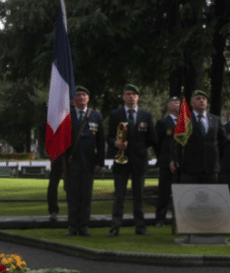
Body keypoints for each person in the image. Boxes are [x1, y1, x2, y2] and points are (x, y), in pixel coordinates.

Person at [107, 84, 157, 237]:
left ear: (138, 97)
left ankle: (140, 227)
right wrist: (116, 144)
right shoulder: (115, 114)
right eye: (128, 94)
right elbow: (109, 137)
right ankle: (115, 227)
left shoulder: (146, 115)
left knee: (139, 196)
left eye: (134, 94)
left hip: (139, 161)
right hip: (121, 160)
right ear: (123, 96)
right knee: (119, 196)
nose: (131, 97)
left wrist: (140, 148)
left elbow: (152, 138)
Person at [64, 86, 105, 236]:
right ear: (74, 99)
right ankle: (72, 226)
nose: (81, 97)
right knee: (72, 196)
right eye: (78, 95)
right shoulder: (67, 115)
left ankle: (83, 226)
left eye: (84, 95)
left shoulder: (96, 116)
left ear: (88, 98)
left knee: (86, 196)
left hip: (89, 162)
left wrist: (100, 162)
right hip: (72, 161)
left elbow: (101, 142)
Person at [171, 91, 225, 184]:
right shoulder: (185, 120)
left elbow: (222, 140)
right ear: (192, 103)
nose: (201, 100)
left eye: (204, 99)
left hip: (211, 168)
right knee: (188, 193)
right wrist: (175, 159)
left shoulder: (216, 120)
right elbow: (177, 143)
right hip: (190, 169)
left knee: (211, 193)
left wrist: (216, 157)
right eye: (198, 98)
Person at [154, 96, 180, 227]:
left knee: (181, 191)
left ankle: (181, 219)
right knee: (164, 192)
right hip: (166, 164)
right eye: (174, 102)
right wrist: (163, 158)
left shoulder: (186, 122)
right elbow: (157, 143)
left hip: (181, 162)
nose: (177, 104)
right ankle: (160, 219)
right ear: (169, 106)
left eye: (179, 102)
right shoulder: (163, 123)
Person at [46, 155, 64, 221]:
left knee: (52, 186)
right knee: (52, 186)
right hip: (59, 159)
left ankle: (53, 211)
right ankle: (53, 211)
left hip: (59, 159)